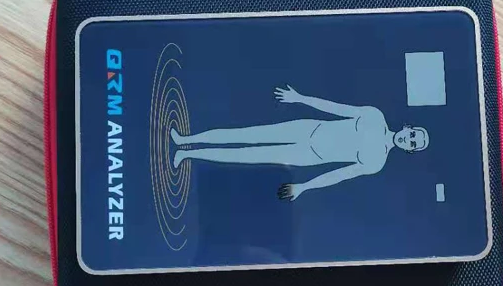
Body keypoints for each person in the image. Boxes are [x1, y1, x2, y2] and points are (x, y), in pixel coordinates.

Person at [171, 85, 429, 201]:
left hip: (308, 156)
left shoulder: (376, 162)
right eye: (413, 134)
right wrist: (301, 98)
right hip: (308, 128)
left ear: (409, 150)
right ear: (408, 128)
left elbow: (339, 175)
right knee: (245, 135)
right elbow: (337, 109)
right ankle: (186, 140)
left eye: (413, 143)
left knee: (246, 156)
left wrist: (304, 187)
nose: (409, 139)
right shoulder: (374, 116)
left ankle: (187, 155)